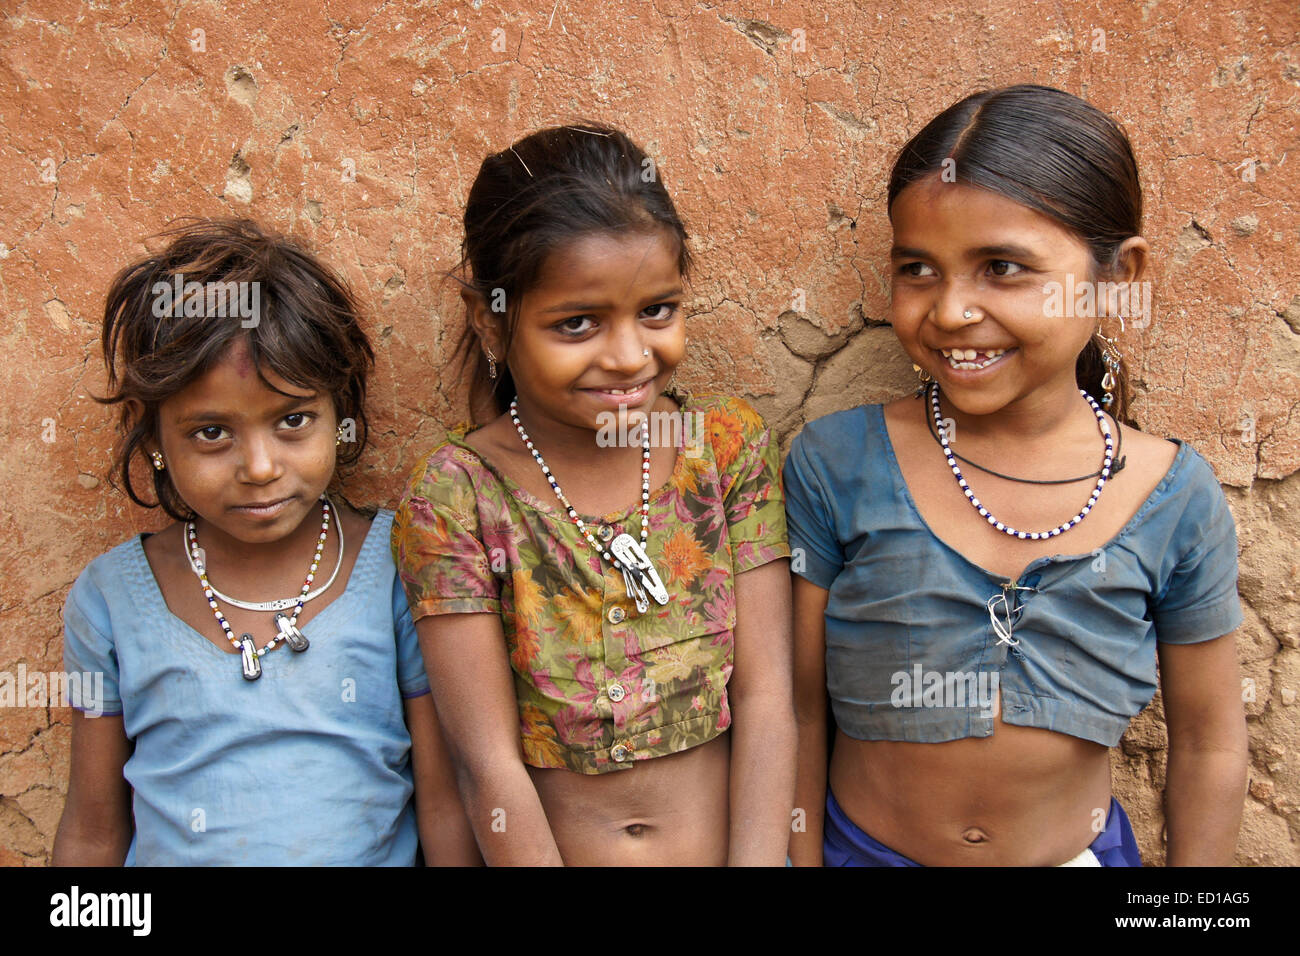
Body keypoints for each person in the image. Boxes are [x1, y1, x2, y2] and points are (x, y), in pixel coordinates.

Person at [784, 85, 1248, 866]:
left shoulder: (1173, 498)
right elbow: (796, 714)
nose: (953, 310)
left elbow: (1209, 747)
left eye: (1002, 268)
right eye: (918, 269)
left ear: (1119, 275)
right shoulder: (839, 465)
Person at [392, 123, 796, 865]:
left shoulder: (726, 450)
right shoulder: (457, 497)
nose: (629, 356)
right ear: (493, 318)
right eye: (576, 323)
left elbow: (769, 702)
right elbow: (488, 764)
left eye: (657, 311)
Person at [53, 218, 478, 865]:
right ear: (154, 438)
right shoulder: (109, 602)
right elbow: (91, 830)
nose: (258, 466)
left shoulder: (398, 564)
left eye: (292, 420)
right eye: (211, 433)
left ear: (340, 412)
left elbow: (443, 801)